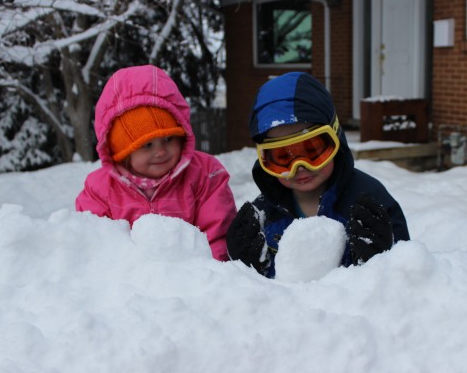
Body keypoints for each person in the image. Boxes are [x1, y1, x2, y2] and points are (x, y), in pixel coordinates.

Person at [226, 72, 410, 277]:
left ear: (335, 138)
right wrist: (249, 268)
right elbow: (253, 294)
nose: (299, 167)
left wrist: (380, 259)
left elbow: (406, 275)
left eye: (311, 150)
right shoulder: (262, 217)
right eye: (282, 157)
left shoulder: (371, 203)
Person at [75, 65, 236, 262]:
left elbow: (219, 233)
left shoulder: (205, 174)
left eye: (169, 139)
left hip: (195, 278)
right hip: (128, 282)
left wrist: (210, 271)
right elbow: (92, 242)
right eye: (147, 145)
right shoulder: (100, 190)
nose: (160, 151)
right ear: (123, 152)